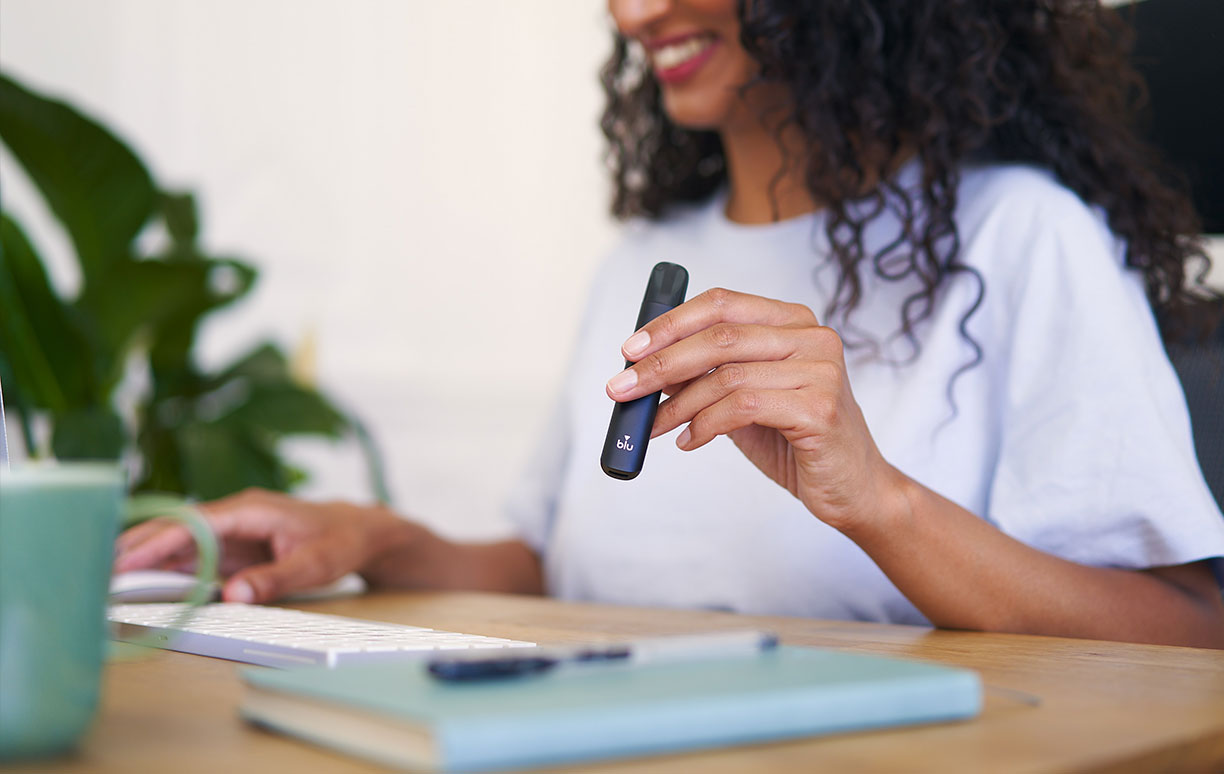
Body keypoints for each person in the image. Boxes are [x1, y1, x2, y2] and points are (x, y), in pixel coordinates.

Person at [115, 0, 1224, 648]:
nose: (636, 11)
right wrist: (375, 541)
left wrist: (877, 498)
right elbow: (556, 567)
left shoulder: (1025, 237)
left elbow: (1190, 633)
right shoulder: (643, 266)